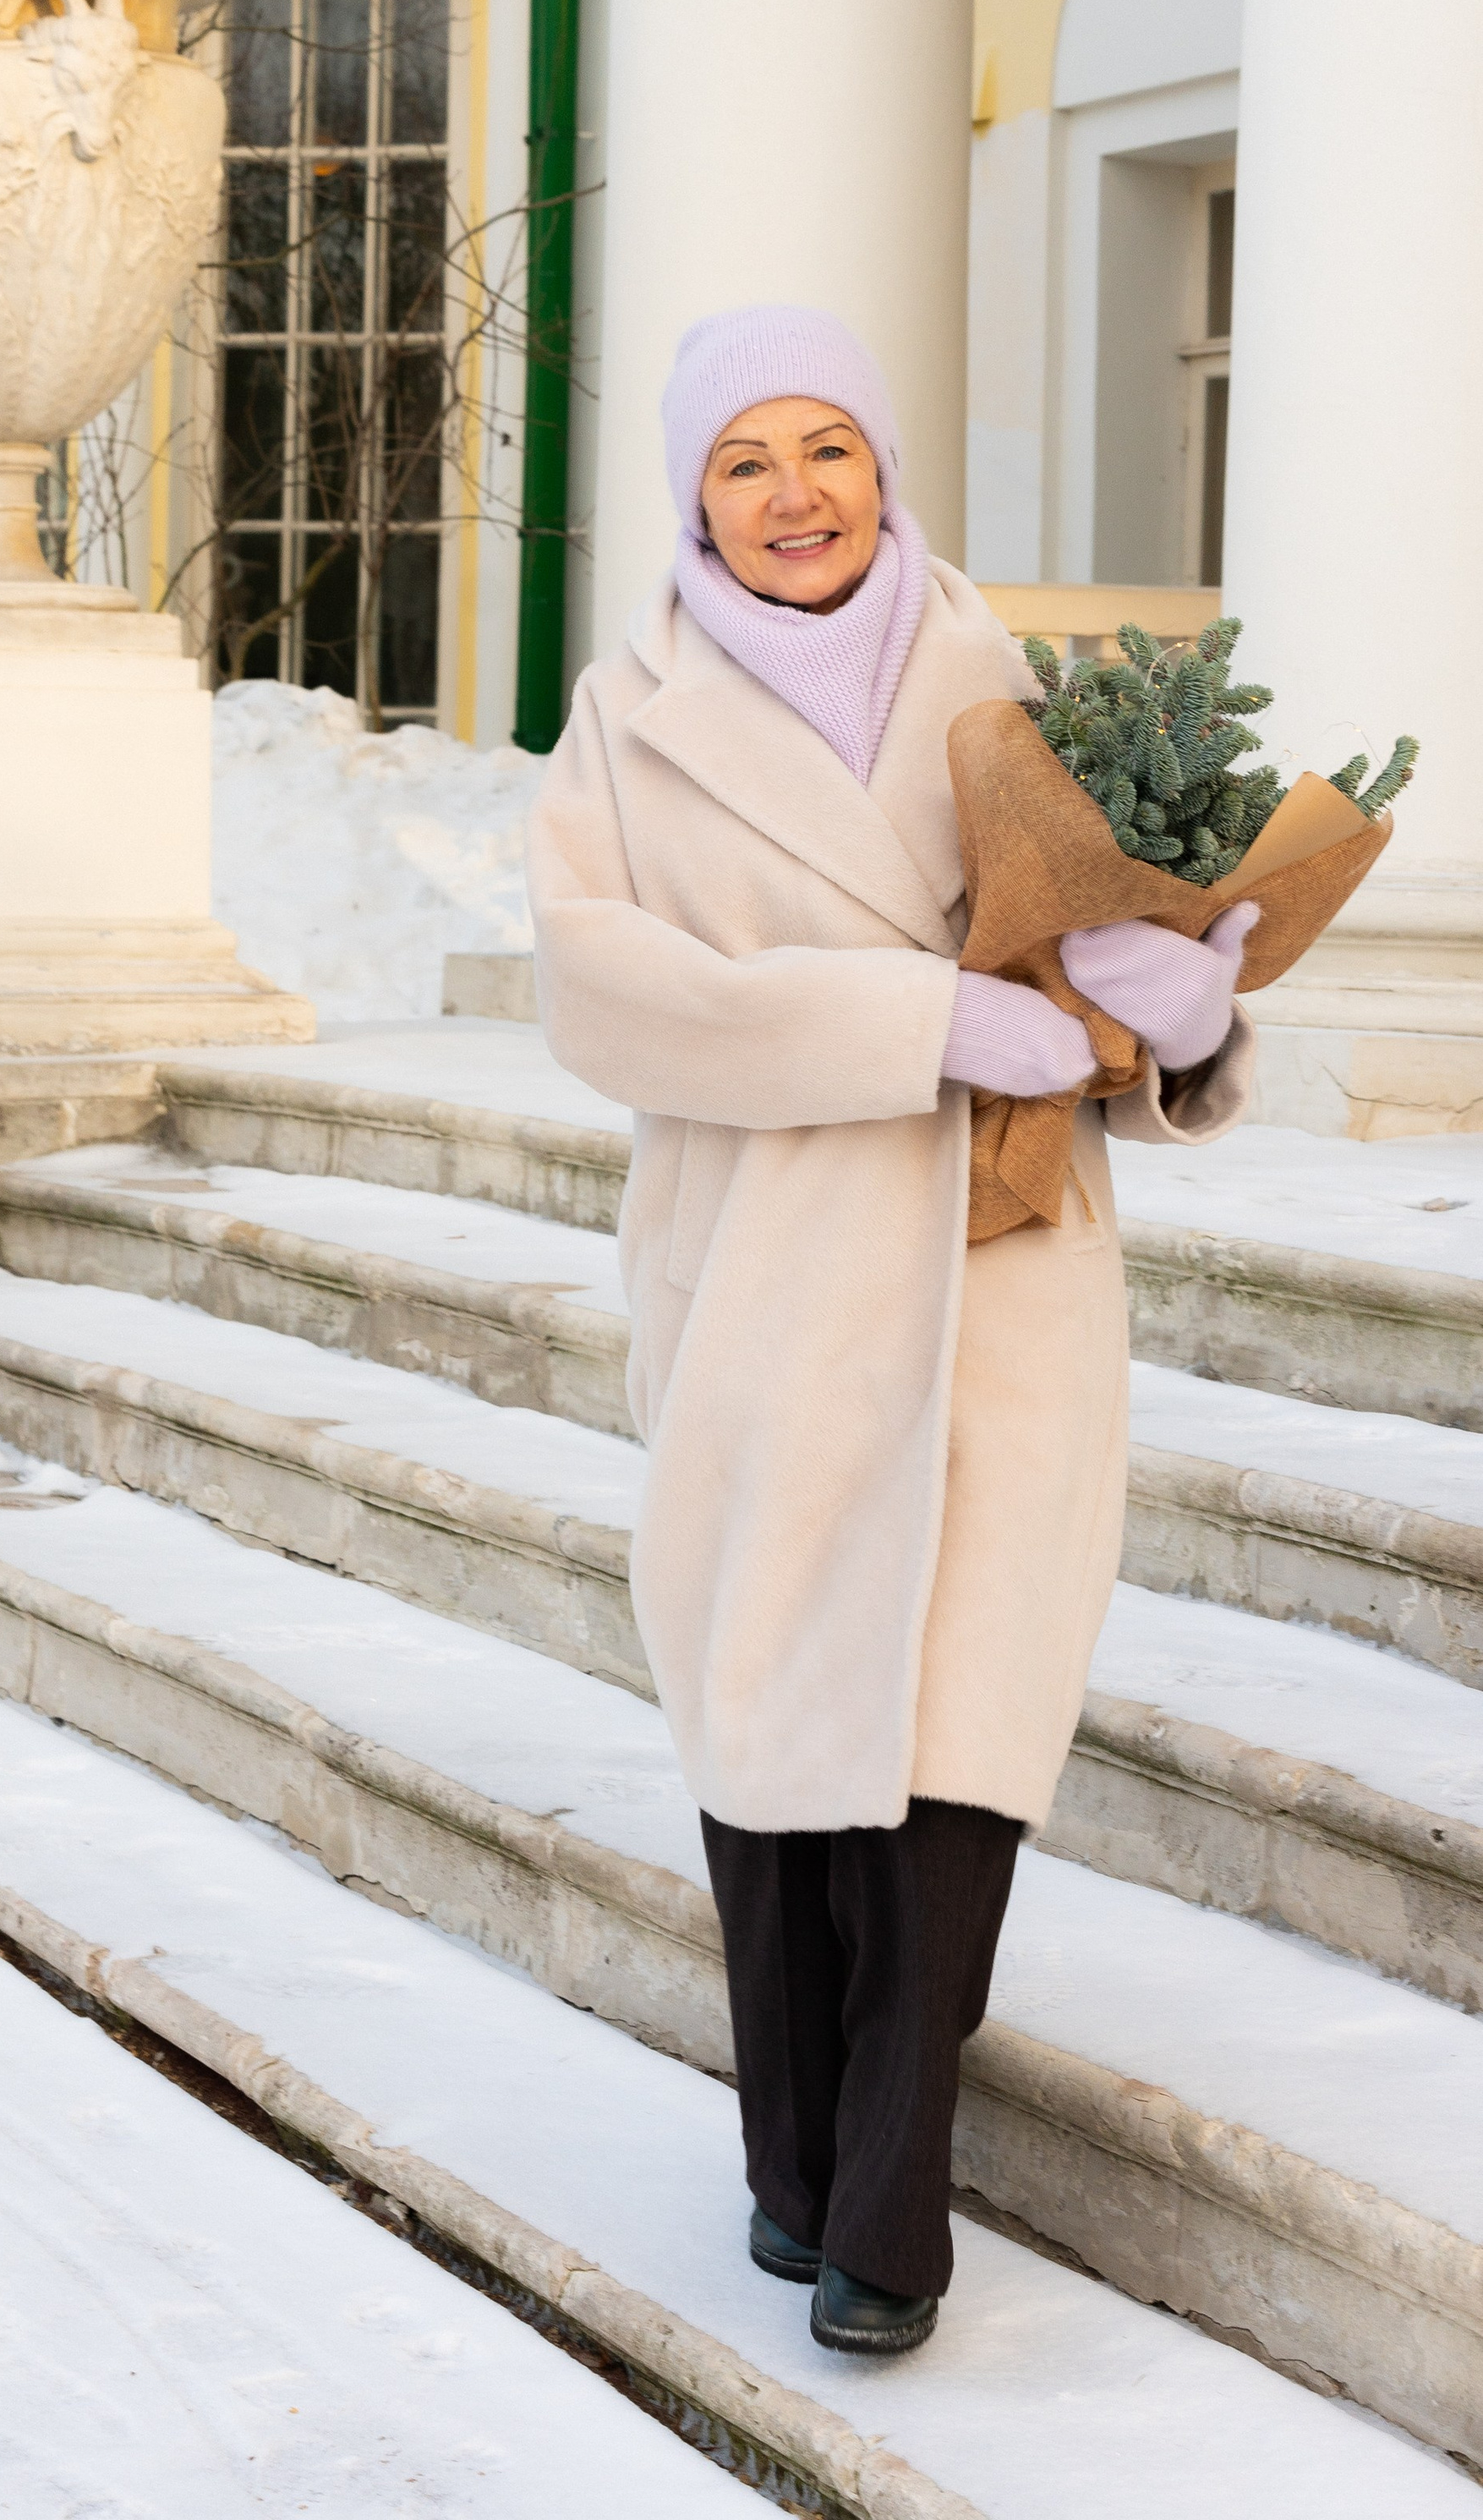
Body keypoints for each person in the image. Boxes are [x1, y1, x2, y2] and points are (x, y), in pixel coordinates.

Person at [524, 303, 1254, 2358]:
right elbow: (600, 989)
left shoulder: (1014, 681)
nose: (789, 497)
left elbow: (1133, 932)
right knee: (770, 1727)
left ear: (882, 469)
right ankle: (789, 2160)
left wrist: (1176, 1018)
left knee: (954, 1733)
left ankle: (886, 2211)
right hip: (762, 1271)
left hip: (999, 1267)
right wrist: (913, 1017)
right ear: (691, 497)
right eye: (741, 462)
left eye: (823, 449)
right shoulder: (624, 716)